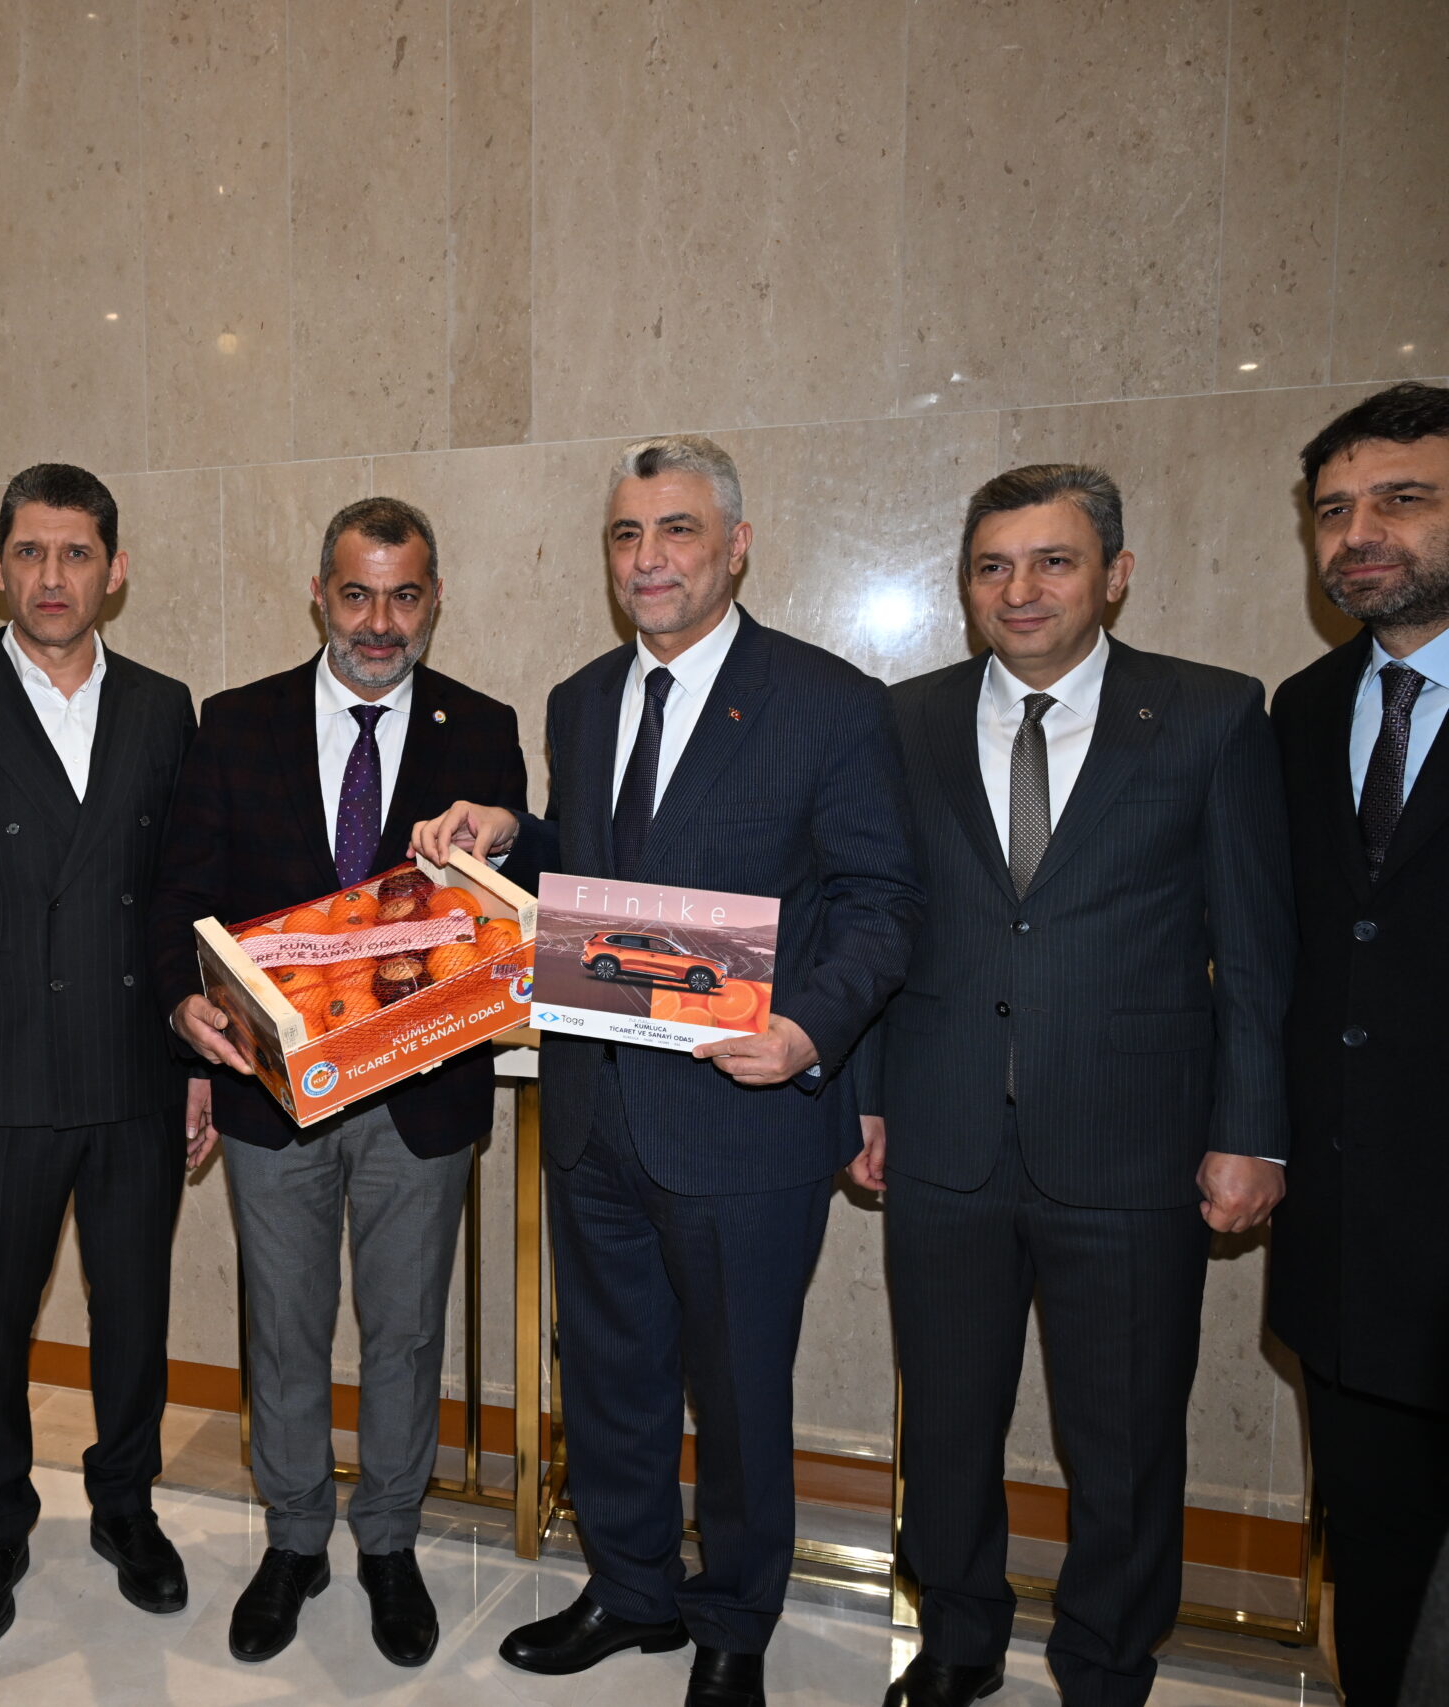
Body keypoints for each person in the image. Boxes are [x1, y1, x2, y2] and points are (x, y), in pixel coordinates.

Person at [415, 435, 922, 1707]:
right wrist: (511, 835)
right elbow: (605, 875)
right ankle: (630, 1589)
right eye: (627, 535)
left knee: (738, 1395)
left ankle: (734, 1622)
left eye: (677, 530)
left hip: (745, 1120)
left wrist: (807, 1033)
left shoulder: (830, 702)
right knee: (608, 1377)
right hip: (595, 1111)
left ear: (735, 546)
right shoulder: (581, 699)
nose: (649, 559)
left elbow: (881, 905)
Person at [855, 466, 1290, 1707]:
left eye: (1053, 561)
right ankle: (956, 1642)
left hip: (1133, 1143)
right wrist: (866, 1095)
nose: (1021, 589)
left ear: (1115, 574)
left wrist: (1251, 1130)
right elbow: (876, 921)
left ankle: (1104, 1664)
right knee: (945, 1424)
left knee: (1126, 1437)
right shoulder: (905, 720)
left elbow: (1255, 947)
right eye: (992, 566)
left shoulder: (1211, 714)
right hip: (942, 1137)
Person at [153, 497, 527, 1667]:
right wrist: (183, 1005)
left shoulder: (484, 728)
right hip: (274, 1098)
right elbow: (184, 894)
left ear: (433, 600)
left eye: (403, 596)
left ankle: (389, 1541)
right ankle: (294, 1538)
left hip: (421, 1101)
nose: (379, 622)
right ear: (318, 594)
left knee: (406, 1332)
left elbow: (518, 897)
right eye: (356, 594)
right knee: (284, 1327)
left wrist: (508, 829)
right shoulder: (234, 722)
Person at [0, 462, 199, 1649]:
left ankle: (126, 1506)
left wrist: (202, 1062)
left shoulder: (163, 706)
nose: (51, 576)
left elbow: (184, 902)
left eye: (75, 553)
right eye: (29, 552)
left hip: (133, 1073)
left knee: (133, 1314)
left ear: (114, 572)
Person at [1268, 381, 1449, 1707]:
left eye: (1402, 499)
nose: (1358, 534)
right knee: (1377, 1581)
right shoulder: (1304, 706)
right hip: (1353, 1250)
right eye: (1333, 510)